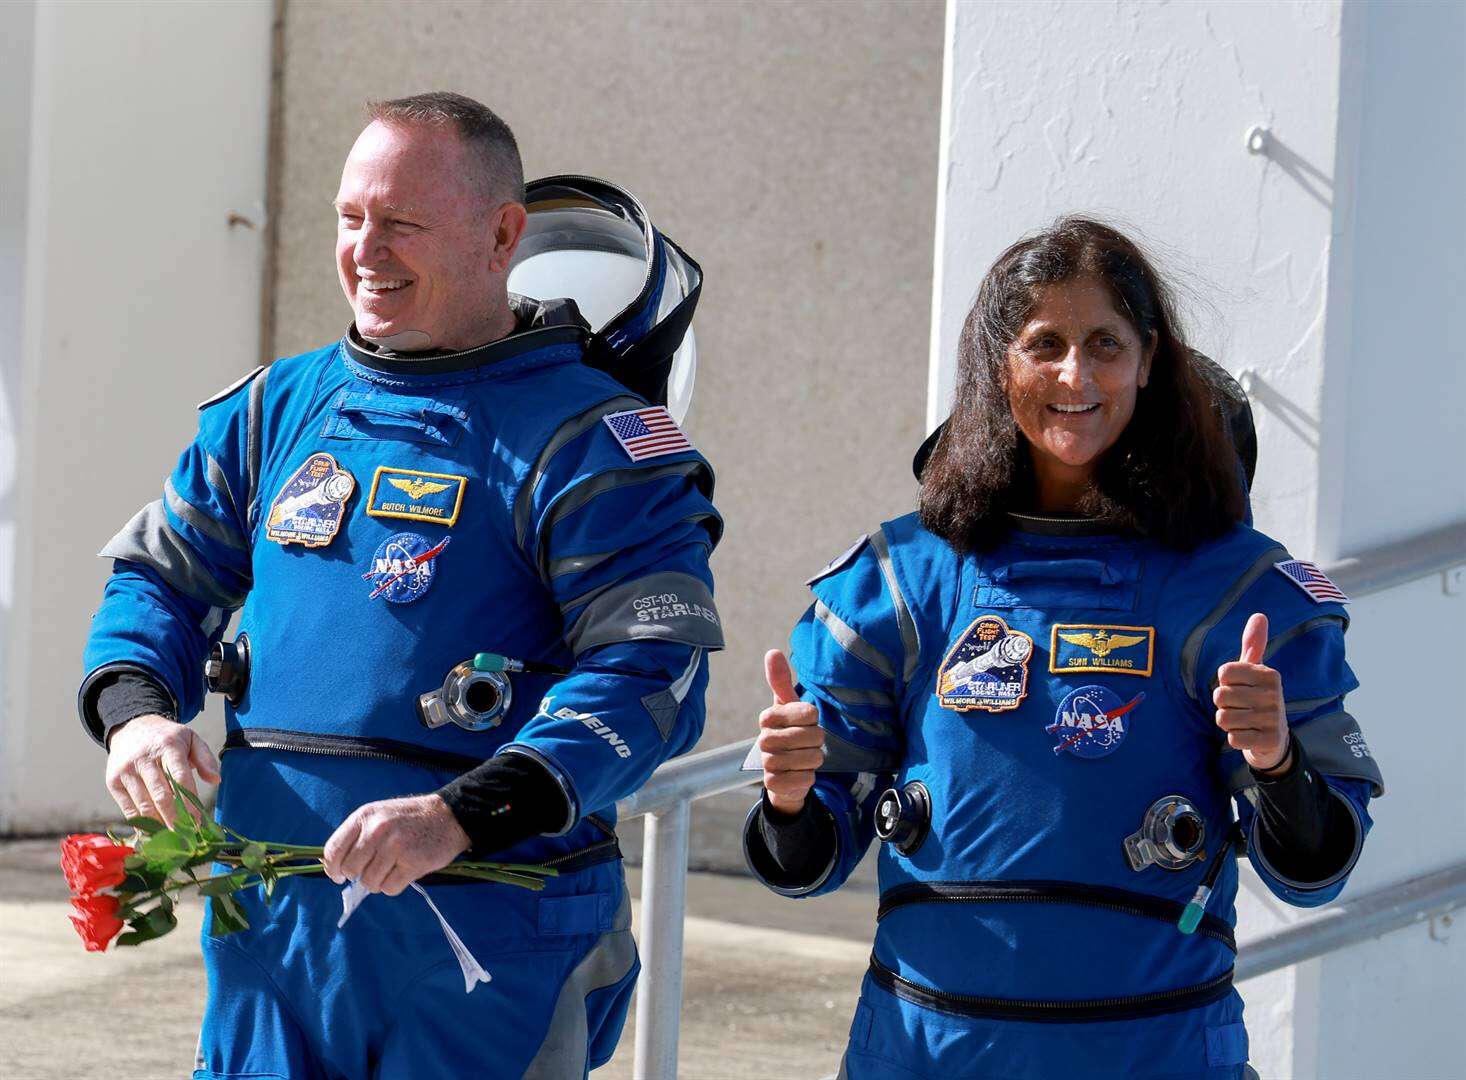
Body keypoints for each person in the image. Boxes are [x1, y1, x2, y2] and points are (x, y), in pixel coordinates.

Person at [80, 91, 722, 1078]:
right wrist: (136, 715)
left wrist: (460, 814)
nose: (364, 251)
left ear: (502, 233)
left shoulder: (593, 445)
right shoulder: (270, 412)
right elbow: (156, 582)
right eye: (350, 219)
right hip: (274, 938)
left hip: (490, 949)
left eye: (401, 225)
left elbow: (649, 675)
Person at [743, 218, 1381, 1080]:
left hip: (1151, 1055)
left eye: (1104, 345)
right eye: (1045, 344)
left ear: (1149, 361)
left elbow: (1318, 870)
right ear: (999, 360)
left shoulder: (1240, 595)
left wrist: (1276, 763)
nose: (1074, 375)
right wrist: (787, 805)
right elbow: (806, 864)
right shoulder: (902, 581)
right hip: (924, 1054)